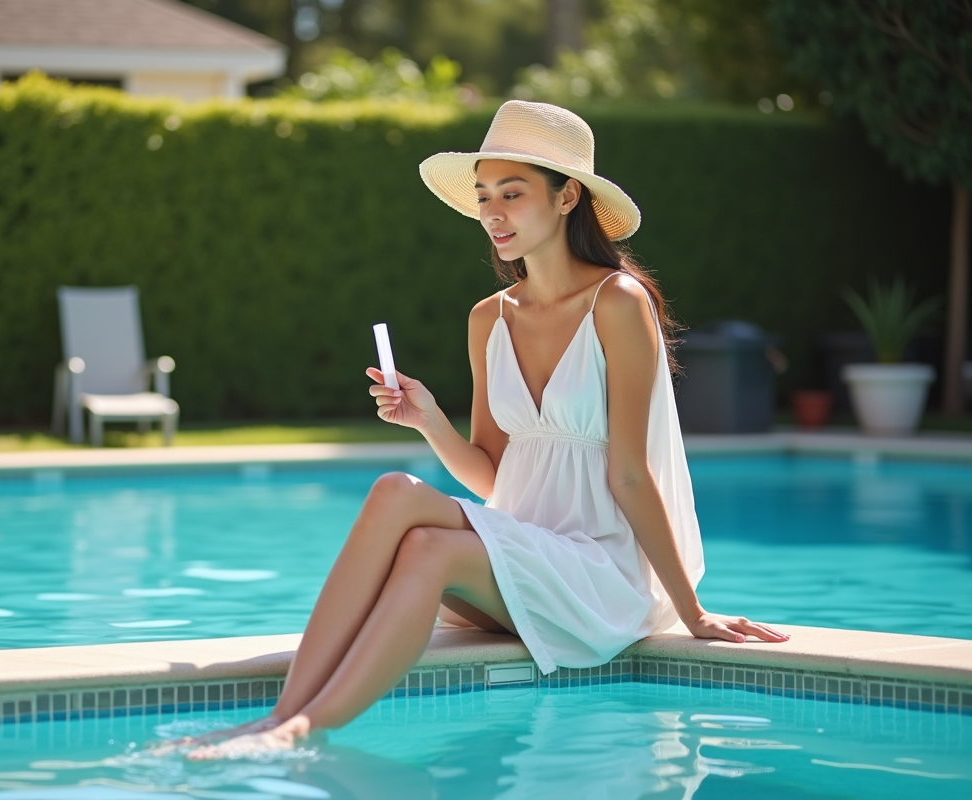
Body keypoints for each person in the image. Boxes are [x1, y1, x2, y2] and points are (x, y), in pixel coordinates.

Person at [178, 100, 789, 760]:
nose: (492, 213)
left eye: (513, 193)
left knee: (430, 551)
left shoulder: (618, 302)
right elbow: (493, 477)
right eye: (483, 196)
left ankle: (297, 729)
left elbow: (631, 474)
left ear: (567, 197)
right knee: (395, 490)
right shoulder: (488, 319)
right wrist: (428, 420)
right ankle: (278, 717)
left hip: (603, 575)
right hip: (524, 553)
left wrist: (692, 611)